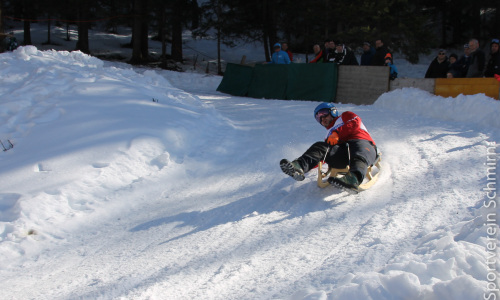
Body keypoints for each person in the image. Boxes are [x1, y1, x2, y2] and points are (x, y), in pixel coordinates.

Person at [280, 102, 378, 190]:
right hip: (343, 155)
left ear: (333, 112)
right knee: (320, 147)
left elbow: (354, 124)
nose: (322, 119)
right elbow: (323, 156)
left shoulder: (345, 116)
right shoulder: (328, 134)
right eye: (318, 118)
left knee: (359, 151)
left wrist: (337, 133)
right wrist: (312, 164)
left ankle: (353, 179)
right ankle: (299, 166)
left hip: (363, 144)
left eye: (323, 114)